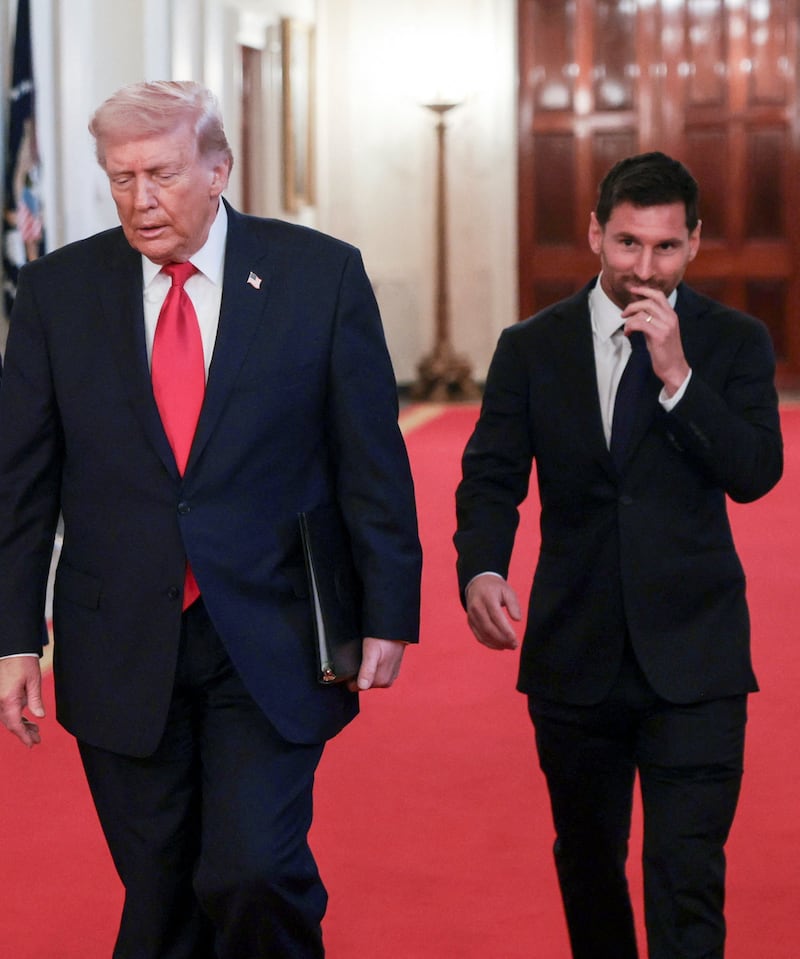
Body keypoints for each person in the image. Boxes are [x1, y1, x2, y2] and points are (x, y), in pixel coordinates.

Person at [0, 80, 422, 959]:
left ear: (219, 168)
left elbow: (369, 457)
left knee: (252, 867)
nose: (138, 200)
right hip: (117, 636)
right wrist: (10, 637)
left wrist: (387, 609)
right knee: (161, 890)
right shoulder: (56, 294)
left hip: (269, 630)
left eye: (159, 173)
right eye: (120, 178)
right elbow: (21, 485)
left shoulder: (320, 275)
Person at [454, 152, 783, 959]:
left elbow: (754, 474)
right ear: (597, 233)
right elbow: (491, 476)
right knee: (590, 866)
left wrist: (676, 377)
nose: (645, 267)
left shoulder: (735, 342)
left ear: (695, 243)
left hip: (697, 658)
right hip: (576, 653)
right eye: (629, 243)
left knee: (688, 876)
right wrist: (484, 567)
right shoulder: (531, 347)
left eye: (666, 248)